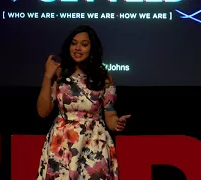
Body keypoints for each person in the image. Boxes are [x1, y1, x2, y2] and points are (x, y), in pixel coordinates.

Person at [36, 25, 131, 180]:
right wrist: (47, 77)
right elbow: (43, 111)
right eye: (74, 43)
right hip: (63, 143)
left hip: (94, 142)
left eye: (84, 44)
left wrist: (116, 123)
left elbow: (110, 113)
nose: (78, 48)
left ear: (92, 49)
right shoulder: (58, 75)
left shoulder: (104, 77)